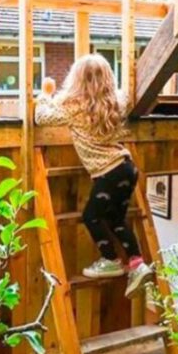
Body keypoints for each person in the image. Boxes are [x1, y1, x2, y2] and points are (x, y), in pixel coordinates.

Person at [35, 54, 152, 298]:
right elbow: (127, 95)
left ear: (76, 80)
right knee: (116, 219)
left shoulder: (74, 106)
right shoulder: (116, 101)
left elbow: (41, 117)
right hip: (126, 167)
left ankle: (109, 259)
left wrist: (46, 94)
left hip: (108, 172)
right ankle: (137, 264)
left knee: (91, 216)